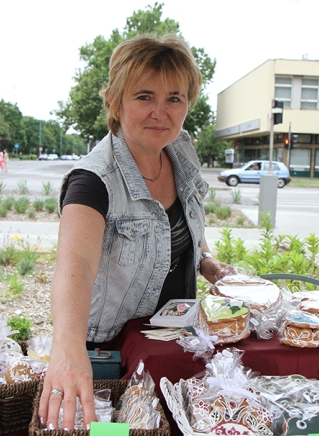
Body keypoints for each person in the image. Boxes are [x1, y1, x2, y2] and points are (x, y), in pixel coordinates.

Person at [38, 33, 232, 431]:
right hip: (112, 356)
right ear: (114, 101)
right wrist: (68, 344)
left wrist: (207, 261)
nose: (161, 112)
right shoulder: (93, 180)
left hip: (174, 343)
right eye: (144, 96)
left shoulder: (181, 150)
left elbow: (186, 226)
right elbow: (75, 263)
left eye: (174, 98)